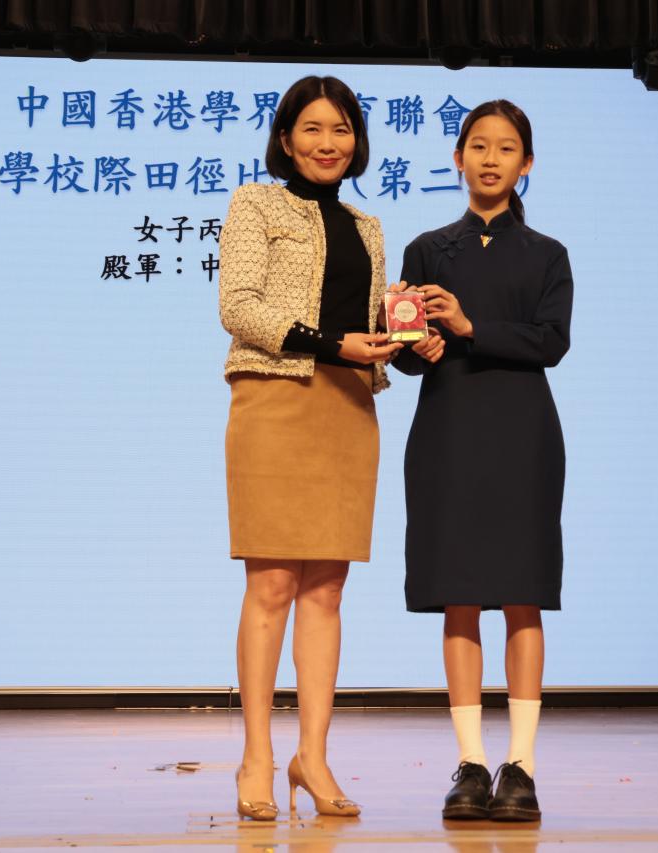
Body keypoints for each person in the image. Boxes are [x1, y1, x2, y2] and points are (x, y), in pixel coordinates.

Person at [218, 74, 402, 821]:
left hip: (349, 408)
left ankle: (313, 757)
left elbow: (373, 334)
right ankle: (257, 758)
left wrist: (413, 342)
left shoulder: (368, 226)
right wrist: (331, 343)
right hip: (274, 398)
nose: (329, 143)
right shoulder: (254, 204)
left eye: (342, 129)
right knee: (270, 586)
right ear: (286, 139)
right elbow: (238, 307)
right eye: (314, 129)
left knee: (326, 591)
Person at [391, 99, 573, 822]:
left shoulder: (548, 254)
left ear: (526, 163)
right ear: (458, 157)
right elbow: (406, 356)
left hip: (523, 433)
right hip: (448, 429)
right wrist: (419, 344)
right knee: (459, 593)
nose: (491, 158)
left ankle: (520, 765)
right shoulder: (428, 249)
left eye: (505, 148)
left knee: (523, 593)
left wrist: (469, 326)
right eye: (478, 145)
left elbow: (552, 341)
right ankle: (470, 763)